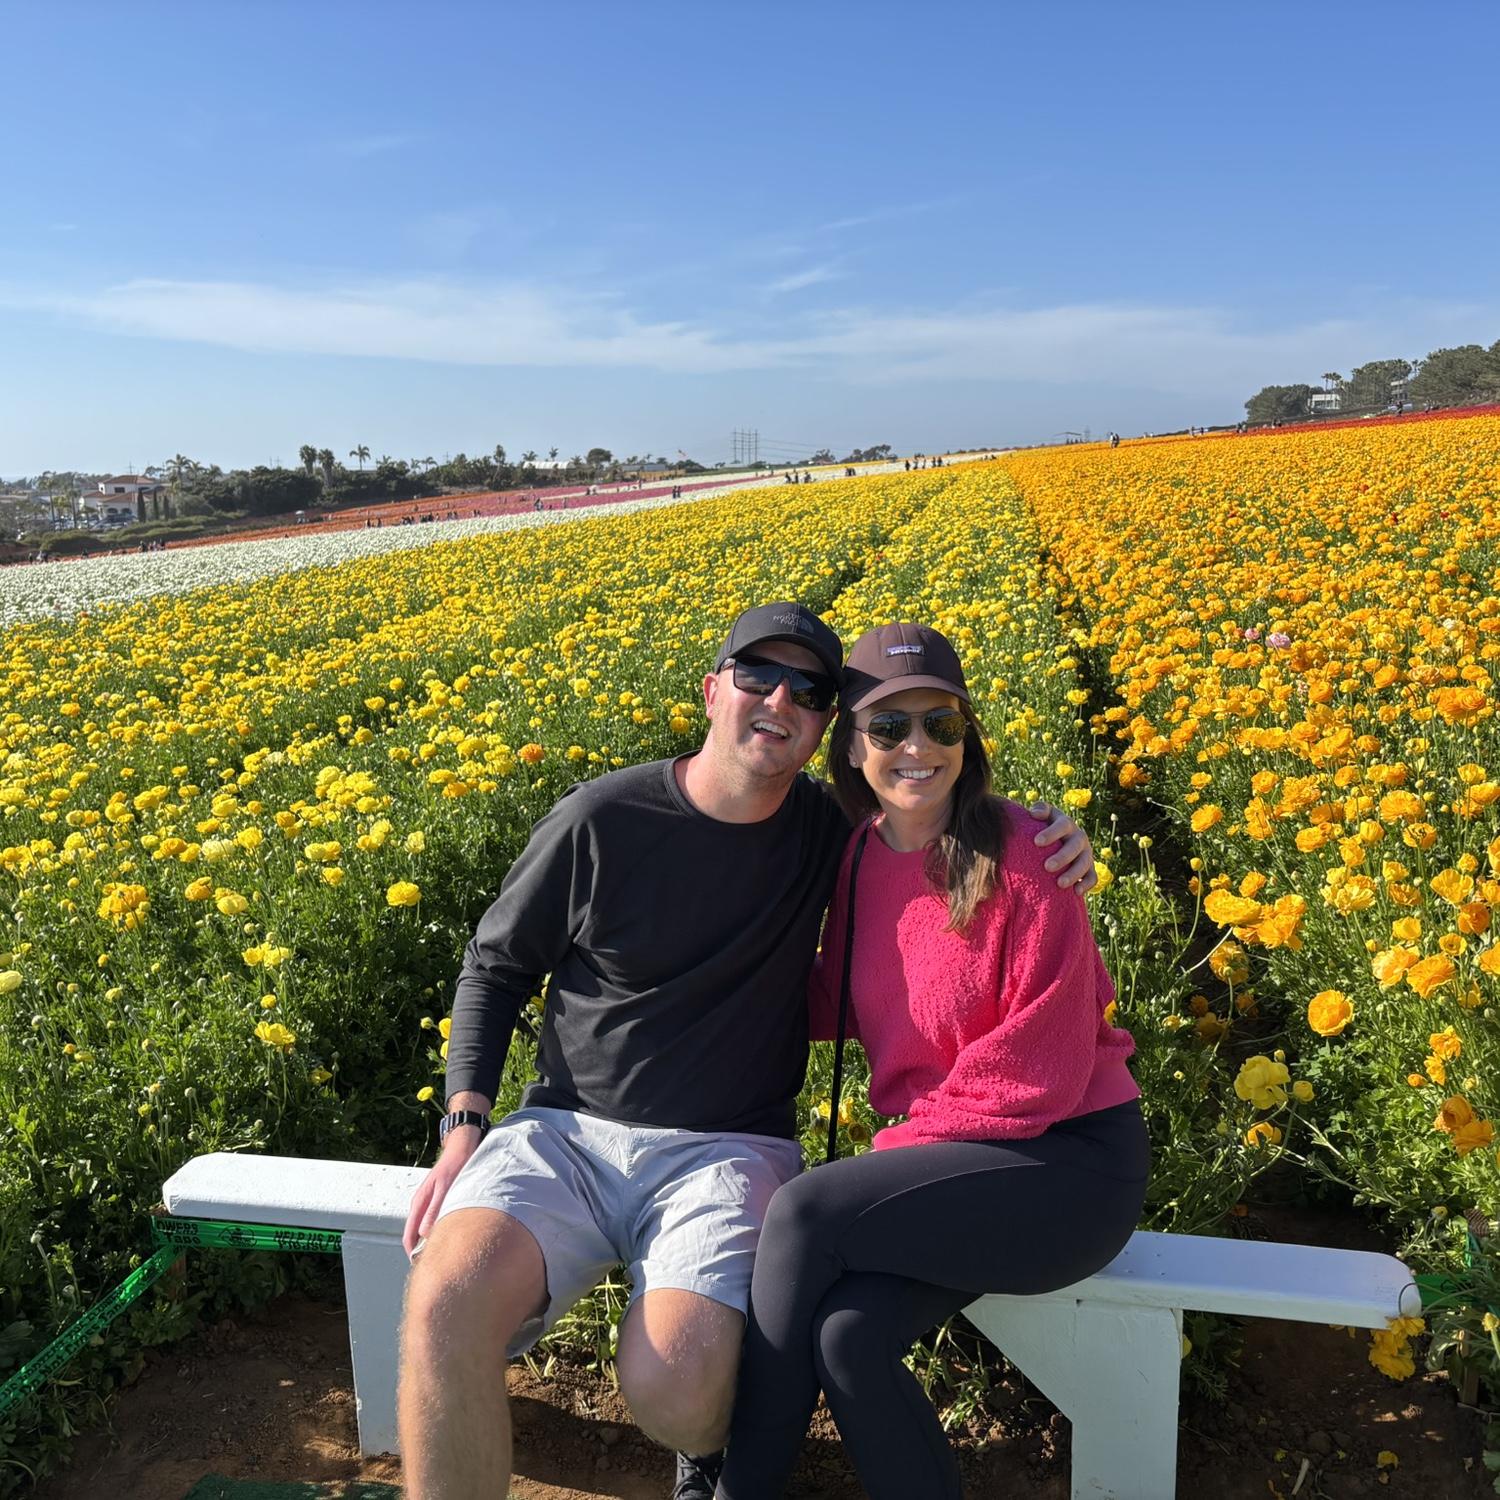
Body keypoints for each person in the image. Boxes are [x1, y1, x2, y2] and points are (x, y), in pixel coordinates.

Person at [396, 602, 1098, 1500]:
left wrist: (1046, 833)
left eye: (808, 689)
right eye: (758, 676)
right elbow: (493, 968)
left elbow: (930, 801)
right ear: (712, 690)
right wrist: (465, 1125)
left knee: (680, 1393)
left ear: (823, 733)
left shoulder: (829, 836)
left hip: (726, 1149)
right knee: (441, 1309)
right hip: (564, 1135)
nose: (780, 699)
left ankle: (712, 1450)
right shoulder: (600, 820)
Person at [716, 622, 1148, 1500]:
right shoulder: (858, 861)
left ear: (967, 736)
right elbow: (824, 997)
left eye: (940, 725)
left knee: (804, 1214)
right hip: (958, 1166)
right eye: (888, 728)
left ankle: (735, 1490)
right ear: (852, 745)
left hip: (1068, 1166)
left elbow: (1045, 1069)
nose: (918, 748)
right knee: (848, 1337)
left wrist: (896, 1154)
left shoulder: (1028, 854)